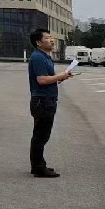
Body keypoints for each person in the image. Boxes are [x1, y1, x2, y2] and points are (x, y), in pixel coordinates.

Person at [27, 28, 73, 177]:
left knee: (41, 135)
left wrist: (61, 77)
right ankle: (39, 168)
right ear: (38, 42)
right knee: (41, 136)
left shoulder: (45, 57)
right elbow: (42, 80)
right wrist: (59, 76)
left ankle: (38, 165)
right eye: (47, 38)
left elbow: (49, 79)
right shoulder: (38, 57)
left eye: (51, 37)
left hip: (47, 100)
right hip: (42, 101)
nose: (52, 40)